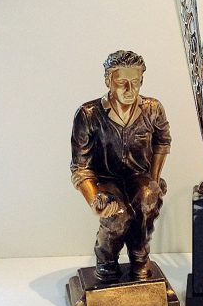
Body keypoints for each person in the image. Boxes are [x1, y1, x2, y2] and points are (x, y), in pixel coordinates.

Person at [70, 50, 171, 282]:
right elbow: (80, 166)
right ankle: (106, 261)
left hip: (139, 176)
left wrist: (154, 179)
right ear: (108, 81)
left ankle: (139, 257)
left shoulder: (153, 109)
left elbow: (162, 141)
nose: (129, 90)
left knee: (147, 199)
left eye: (135, 82)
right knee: (117, 215)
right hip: (106, 180)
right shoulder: (88, 114)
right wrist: (94, 197)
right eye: (121, 83)